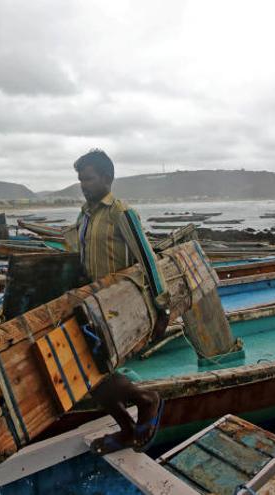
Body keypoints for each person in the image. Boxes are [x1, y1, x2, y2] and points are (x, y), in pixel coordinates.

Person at [68, 149, 168, 455]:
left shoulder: (122, 213)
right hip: (92, 304)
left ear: (107, 178)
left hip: (119, 305)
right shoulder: (84, 214)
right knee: (91, 375)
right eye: (80, 179)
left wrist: (161, 308)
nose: (83, 184)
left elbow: (148, 260)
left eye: (88, 178)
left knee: (97, 372)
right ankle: (128, 426)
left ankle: (146, 401)